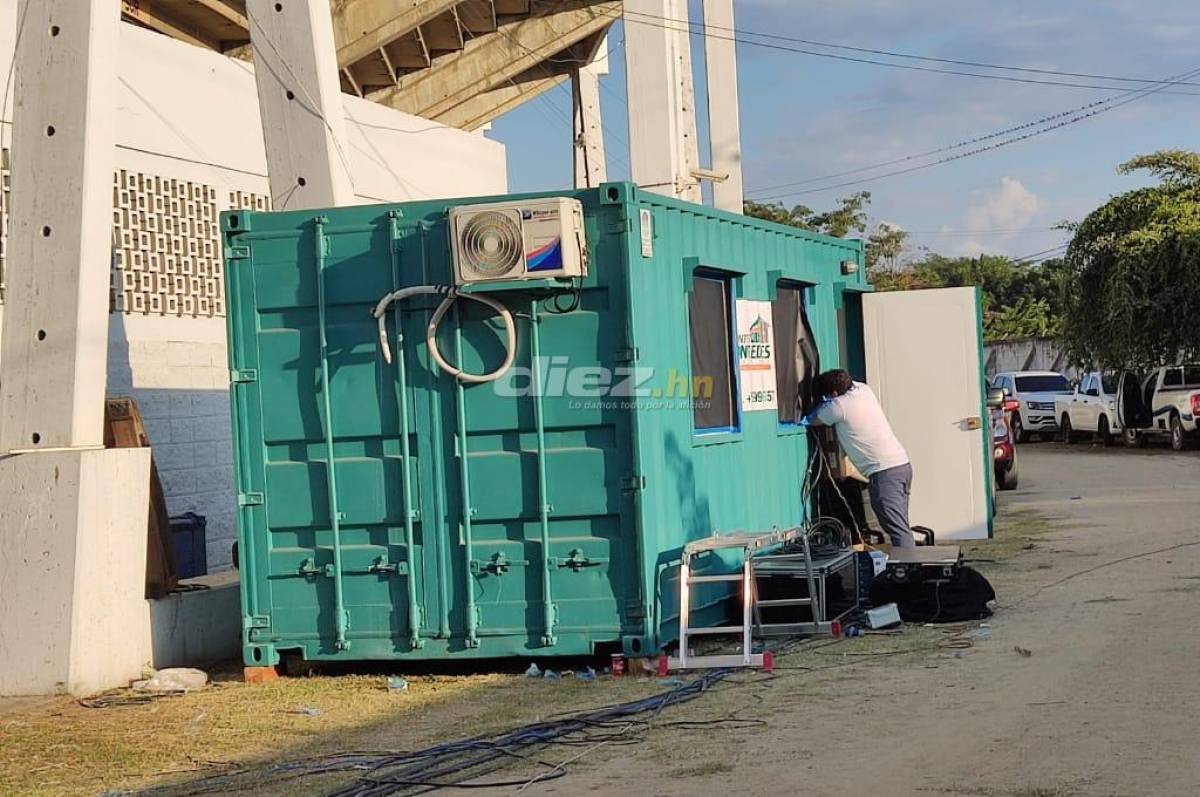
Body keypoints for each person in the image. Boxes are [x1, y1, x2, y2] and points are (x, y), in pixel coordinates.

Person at [803, 369, 914, 548]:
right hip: (902, 466)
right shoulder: (864, 390)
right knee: (900, 525)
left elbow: (813, 420)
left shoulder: (839, 406)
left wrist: (817, 405)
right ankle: (906, 567)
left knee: (897, 529)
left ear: (833, 393)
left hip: (883, 472)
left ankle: (908, 572)